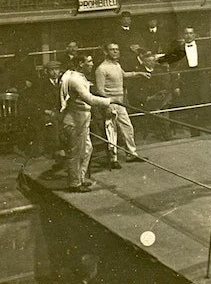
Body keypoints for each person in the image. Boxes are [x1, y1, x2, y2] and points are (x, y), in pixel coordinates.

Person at [59, 52, 112, 193]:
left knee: (87, 150)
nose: (92, 64)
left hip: (82, 120)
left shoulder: (79, 77)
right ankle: (74, 184)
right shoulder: (74, 79)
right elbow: (89, 99)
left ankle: (80, 178)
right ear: (81, 64)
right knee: (76, 153)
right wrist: (109, 101)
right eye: (89, 61)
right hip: (74, 122)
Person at [94, 42, 150, 169]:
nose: (115, 52)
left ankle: (131, 154)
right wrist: (108, 103)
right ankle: (112, 159)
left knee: (127, 127)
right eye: (112, 50)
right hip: (110, 104)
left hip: (120, 103)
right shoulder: (101, 69)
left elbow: (123, 75)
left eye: (117, 49)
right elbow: (100, 90)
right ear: (106, 52)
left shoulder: (117, 65)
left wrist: (139, 73)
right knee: (111, 132)